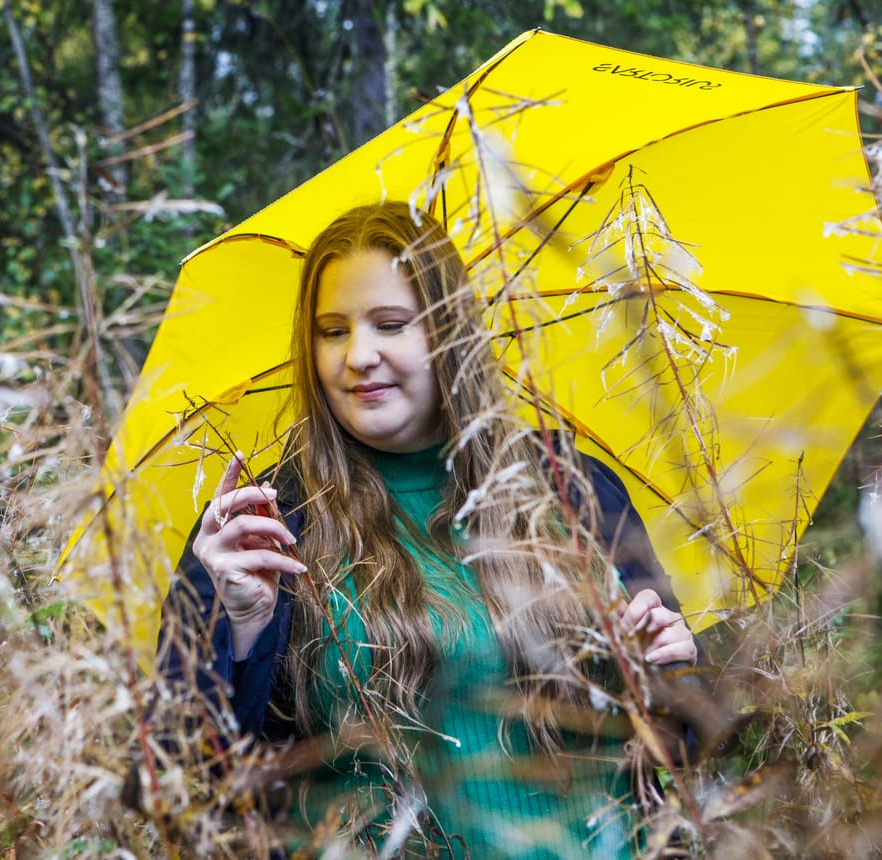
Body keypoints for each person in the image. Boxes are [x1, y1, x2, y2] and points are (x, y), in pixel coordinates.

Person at [158, 201, 697, 858]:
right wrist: (236, 628)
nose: (358, 355)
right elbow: (194, 771)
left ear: (449, 331)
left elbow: (682, 739)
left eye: (391, 324)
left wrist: (667, 675)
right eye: (331, 331)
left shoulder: (570, 488)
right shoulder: (265, 522)